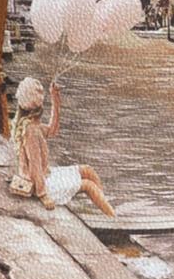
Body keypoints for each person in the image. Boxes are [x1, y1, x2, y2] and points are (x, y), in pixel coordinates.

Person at [10, 75, 115, 216]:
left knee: (87, 170)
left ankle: (105, 207)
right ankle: (112, 216)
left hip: (46, 174)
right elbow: (35, 166)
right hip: (39, 183)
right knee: (88, 185)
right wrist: (43, 195)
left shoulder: (33, 126)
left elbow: (52, 130)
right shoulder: (31, 131)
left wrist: (55, 100)